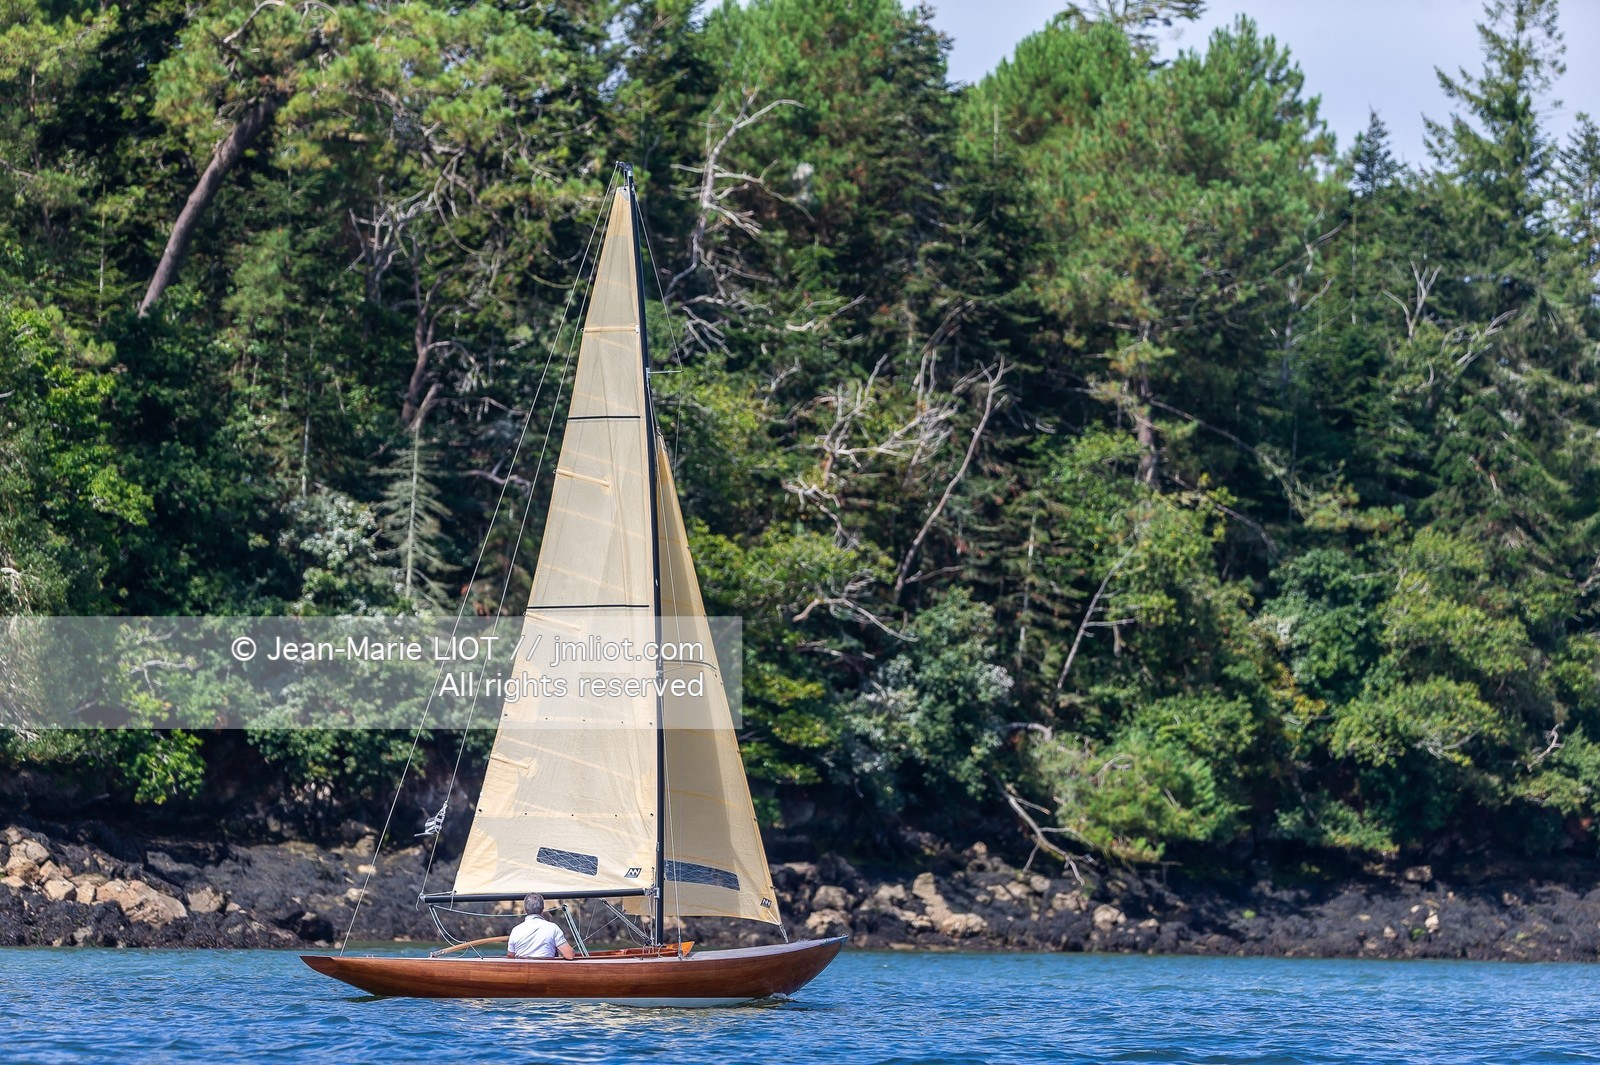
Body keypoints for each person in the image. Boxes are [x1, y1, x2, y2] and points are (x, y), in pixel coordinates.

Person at [506, 892, 575, 960]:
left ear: (525, 909)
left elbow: (510, 956)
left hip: (522, 970)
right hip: (546, 970)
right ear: (542, 909)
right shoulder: (553, 928)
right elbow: (569, 955)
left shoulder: (516, 930)